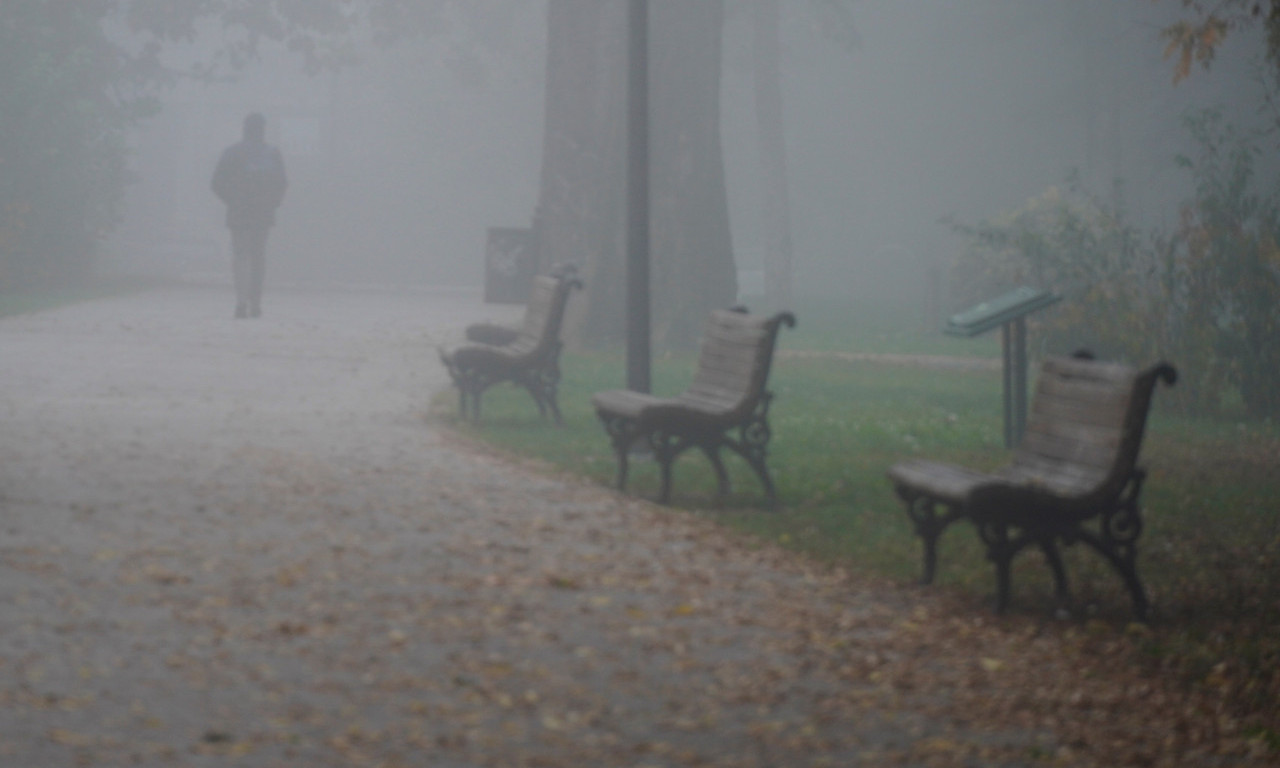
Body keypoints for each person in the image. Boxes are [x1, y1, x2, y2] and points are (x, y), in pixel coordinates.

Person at [211, 112, 288, 319]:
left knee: (241, 256)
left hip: (239, 211)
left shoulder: (232, 153)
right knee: (258, 257)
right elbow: (282, 183)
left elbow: (216, 182)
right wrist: (273, 202)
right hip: (262, 212)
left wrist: (232, 199)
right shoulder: (272, 153)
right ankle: (256, 303)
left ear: (244, 128)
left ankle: (241, 302)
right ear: (263, 129)